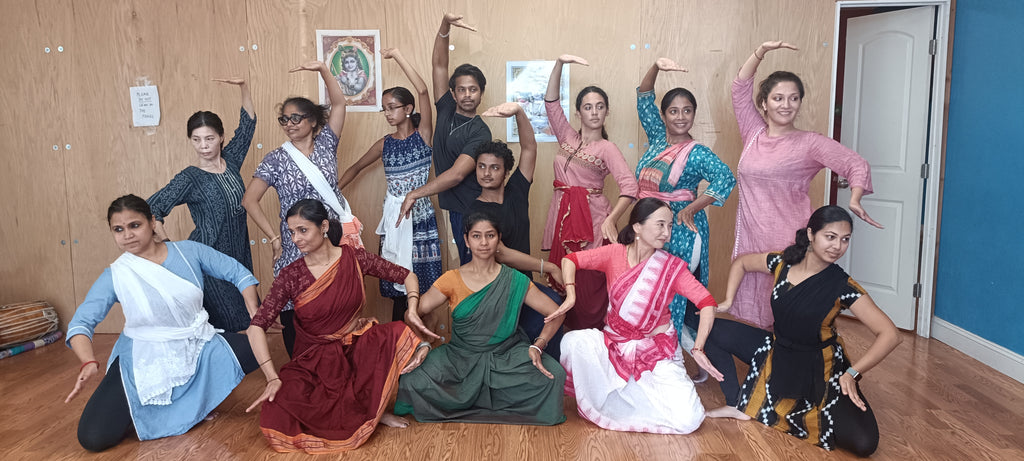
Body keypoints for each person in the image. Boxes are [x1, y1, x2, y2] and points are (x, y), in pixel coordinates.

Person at [64, 195, 260, 452]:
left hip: (196, 343)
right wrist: (88, 361)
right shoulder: (116, 274)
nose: (127, 235)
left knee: (256, 348)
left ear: (152, 222)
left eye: (135, 225)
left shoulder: (188, 251)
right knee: (93, 437)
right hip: (143, 355)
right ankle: (158, 411)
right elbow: (81, 322)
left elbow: (239, 273)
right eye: (118, 230)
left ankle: (194, 403)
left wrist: (256, 315)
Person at [705, 206, 901, 457]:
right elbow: (742, 262)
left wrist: (852, 373)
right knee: (711, 327)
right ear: (811, 234)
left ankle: (786, 403)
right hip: (776, 350)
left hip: (819, 366)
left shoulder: (843, 286)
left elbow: (890, 334)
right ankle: (737, 403)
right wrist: (728, 300)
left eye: (845, 240)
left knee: (864, 444)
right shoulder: (782, 262)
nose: (838, 246)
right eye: (830, 237)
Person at [245, 199, 419, 454]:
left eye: (302, 230)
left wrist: (411, 308)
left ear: (324, 226)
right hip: (313, 360)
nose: (295, 239)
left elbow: (406, 276)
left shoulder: (355, 259)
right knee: (276, 405)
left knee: (395, 331)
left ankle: (374, 411)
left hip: (353, 347)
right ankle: (363, 413)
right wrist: (272, 378)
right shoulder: (291, 276)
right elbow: (256, 326)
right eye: (291, 232)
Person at [730, 41, 881, 330]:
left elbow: (855, 164)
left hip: (789, 237)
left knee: (790, 312)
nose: (786, 105)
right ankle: (765, 363)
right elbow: (739, 88)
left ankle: (797, 365)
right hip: (752, 236)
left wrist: (856, 197)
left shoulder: (810, 142)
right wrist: (761, 51)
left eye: (793, 98)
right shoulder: (752, 133)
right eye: (778, 98)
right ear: (764, 103)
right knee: (759, 311)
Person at [549, 197, 723, 434]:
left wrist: (698, 348)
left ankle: (630, 394)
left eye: (670, 226)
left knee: (689, 420)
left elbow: (707, 303)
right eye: (661, 225)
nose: (667, 233)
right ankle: (620, 396)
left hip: (656, 352)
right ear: (637, 226)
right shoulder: (614, 253)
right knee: (572, 342)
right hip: (615, 344)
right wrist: (571, 295)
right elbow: (570, 260)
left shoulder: (670, 267)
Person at [395, 213, 566, 426]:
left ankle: (466, 401)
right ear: (466, 240)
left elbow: (556, 312)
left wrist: (539, 345)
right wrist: (423, 344)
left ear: (498, 239)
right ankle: (492, 400)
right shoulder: (451, 279)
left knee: (554, 375)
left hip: (506, 356)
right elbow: (412, 314)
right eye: (476, 236)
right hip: (459, 357)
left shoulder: (515, 279)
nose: (484, 242)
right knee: (413, 378)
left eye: (490, 235)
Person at [242, 60, 361, 356]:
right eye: (284, 119)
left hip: (330, 239)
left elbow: (338, 103)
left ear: (312, 121)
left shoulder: (326, 144)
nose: (290, 124)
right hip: (295, 243)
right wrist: (274, 236)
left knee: (337, 300)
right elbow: (249, 200)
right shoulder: (276, 159)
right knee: (295, 304)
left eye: (297, 118)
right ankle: (301, 366)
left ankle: (336, 362)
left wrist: (322, 68)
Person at [634, 58, 736, 370]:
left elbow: (726, 178)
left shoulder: (698, 153)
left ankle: (672, 360)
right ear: (663, 116)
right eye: (674, 111)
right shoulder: (656, 138)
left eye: (687, 111)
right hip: (648, 222)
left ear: (694, 115)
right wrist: (655, 66)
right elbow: (644, 95)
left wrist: (693, 206)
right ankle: (649, 352)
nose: (680, 117)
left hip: (680, 228)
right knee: (646, 287)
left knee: (673, 292)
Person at [339, 47, 442, 322]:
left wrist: (398, 55)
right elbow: (357, 166)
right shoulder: (385, 143)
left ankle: (420, 343)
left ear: (408, 110)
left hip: (419, 217)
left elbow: (422, 92)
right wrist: (332, 192)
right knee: (397, 281)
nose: (387, 113)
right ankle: (400, 344)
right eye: (384, 109)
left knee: (421, 285)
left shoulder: (423, 136)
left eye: (392, 107)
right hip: (394, 219)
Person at [147, 77, 257, 332]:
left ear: (220, 137)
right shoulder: (190, 177)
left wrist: (243, 87)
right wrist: (168, 246)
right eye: (196, 140)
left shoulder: (231, 160)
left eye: (209, 138)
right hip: (208, 259)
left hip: (239, 254)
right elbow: (152, 208)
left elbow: (248, 125)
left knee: (246, 316)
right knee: (228, 322)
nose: (203, 146)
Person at [542, 54, 639, 331]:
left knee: (587, 285)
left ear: (606, 112)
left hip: (593, 222)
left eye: (599, 107)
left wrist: (611, 219)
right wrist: (559, 63)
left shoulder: (607, 148)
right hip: (562, 215)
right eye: (588, 107)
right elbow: (550, 103)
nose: (594, 112)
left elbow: (629, 186)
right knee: (564, 278)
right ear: (578, 112)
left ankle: (592, 342)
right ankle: (569, 345)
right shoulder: (567, 137)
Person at [469, 102, 564, 357]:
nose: (487, 173)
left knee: (554, 315)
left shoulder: (517, 190)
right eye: (481, 166)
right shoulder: (475, 210)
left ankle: (546, 378)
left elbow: (529, 147)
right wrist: (547, 266)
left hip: (523, 286)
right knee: (508, 349)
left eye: (494, 167)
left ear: (506, 171)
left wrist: (519, 112)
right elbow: (499, 253)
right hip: (493, 290)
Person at [398, 12, 490, 265]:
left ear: (481, 93)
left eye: (473, 90)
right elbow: (439, 65)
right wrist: (445, 24)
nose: (467, 95)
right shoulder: (447, 108)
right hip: (455, 209)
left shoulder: (481, 131)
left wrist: (415, 193)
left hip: (474, 211)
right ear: (453, 93)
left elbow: (457, 174)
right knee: (463, 271)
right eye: (461, 89)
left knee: (475, 271)